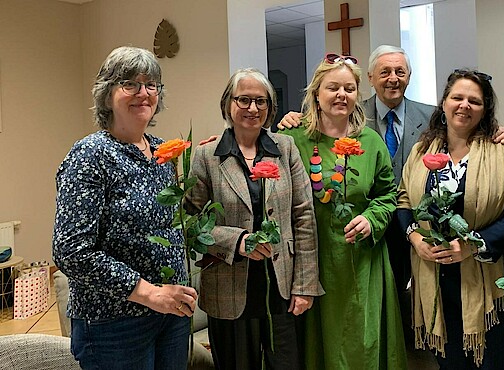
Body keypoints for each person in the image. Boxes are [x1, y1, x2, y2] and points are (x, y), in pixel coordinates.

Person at [277, 45, 504, 345]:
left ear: (409, 76)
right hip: (360, 243)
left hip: (417, 241)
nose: (393, 78)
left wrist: (499, 131)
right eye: (385, 72)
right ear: (370, 78)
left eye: (400, 72)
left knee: (393, 321)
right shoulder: (351, 115)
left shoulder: (432, 117)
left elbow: (468, 133)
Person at [52, 46, 198, 369]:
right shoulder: (91, 156)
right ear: (107, 94)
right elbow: (71, 251)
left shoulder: (163, 153)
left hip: (169, 317)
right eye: (129, 84)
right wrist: (149, 293)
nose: (143, 93)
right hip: (113, 327)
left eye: (151, 85)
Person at [185, 68, 323, 370]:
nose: (252, 108)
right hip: (228, 290)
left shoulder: (285, 149)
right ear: (228, 105)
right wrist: (236, 242)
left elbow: (303, 217)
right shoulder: (207, 155)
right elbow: (189, 221)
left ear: (270, 108)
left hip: (282, 287)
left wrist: (304, 285)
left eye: (261, 101)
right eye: (244, 100)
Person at [278, 54, 407, 369]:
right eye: (333, 87)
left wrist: (372, 218)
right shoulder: (291, 140)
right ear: (316, 94)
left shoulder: (371, 141)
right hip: (312, 262)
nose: (341, 95)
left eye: (349, 89)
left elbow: (388, 193)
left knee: (363, 343)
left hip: (363, 262)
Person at [397, 69, 504, 369]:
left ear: (485, 110)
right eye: (457, 97)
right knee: (449, 363)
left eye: (475, 101)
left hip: (488, 280)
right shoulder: (421, 151)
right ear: (444, 103)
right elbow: (403, 201)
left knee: (491, 363)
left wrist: (474, 246)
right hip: (434, 279)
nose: (464, 105)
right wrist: (415, 238)